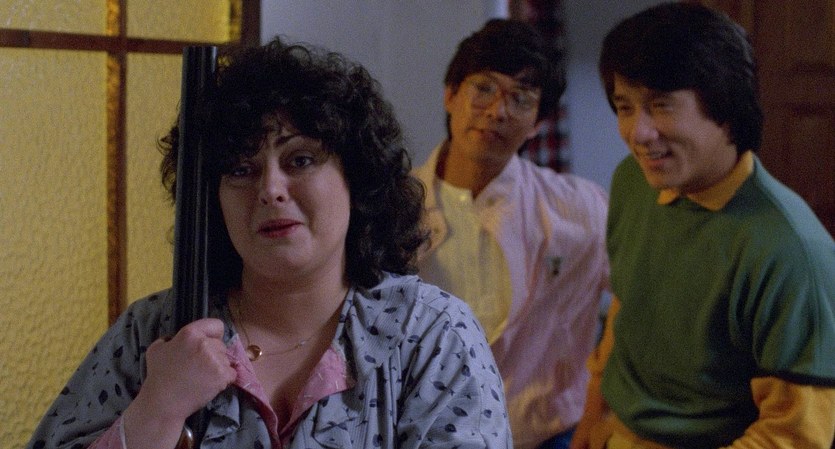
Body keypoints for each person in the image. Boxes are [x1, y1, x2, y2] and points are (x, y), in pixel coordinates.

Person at [27, 37, 512, 449]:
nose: (270, 190)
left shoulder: (431, 336)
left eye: (300, 160)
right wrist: (157, 410)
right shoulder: (155, 333)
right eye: (241, 169)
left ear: (356, 177)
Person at [570, 3, 835, 449]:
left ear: (725, 107)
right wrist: (593, 416)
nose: (638, 133)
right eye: (624, 107)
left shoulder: (791, 251)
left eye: (660, 106)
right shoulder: (633, 182)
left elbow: (794, 436)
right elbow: (626, 307)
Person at [413, 19, 610, 449]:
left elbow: (641, 300)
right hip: (426, 434)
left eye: (520, 98)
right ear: (450, 95)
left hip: (548, 433)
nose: (497, 111)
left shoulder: (580, 208)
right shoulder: (393, 208)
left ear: (537, 122)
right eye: (483, 88)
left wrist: (600, 407)